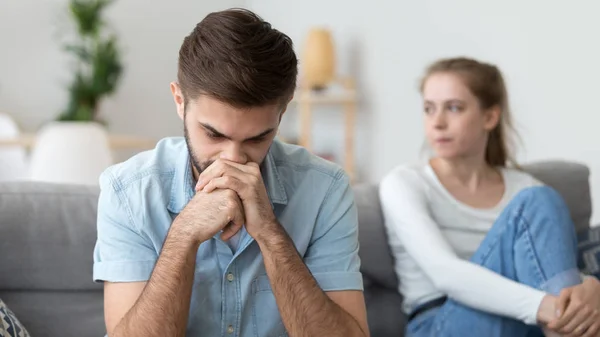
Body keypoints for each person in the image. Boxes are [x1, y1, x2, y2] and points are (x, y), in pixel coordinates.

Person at [92, 8, 369, 337]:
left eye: (258, 138)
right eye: (214, 135)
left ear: (283, 111)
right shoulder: (127, 192)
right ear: (180, 100)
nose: (234, 159)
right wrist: (183, 236)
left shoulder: (325, 190)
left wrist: (270, 234)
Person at [379, 56, 600, 337]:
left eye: (454, 108)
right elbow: (445, 273)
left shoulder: (525, 188)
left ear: (490, 117)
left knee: (541, 199)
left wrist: (589, 287)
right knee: (538, 201)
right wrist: (551, 308)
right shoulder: (405, 183)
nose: (437, 122)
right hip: (441, 322)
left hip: (528, 321)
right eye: (428, 109)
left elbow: (547, 269)